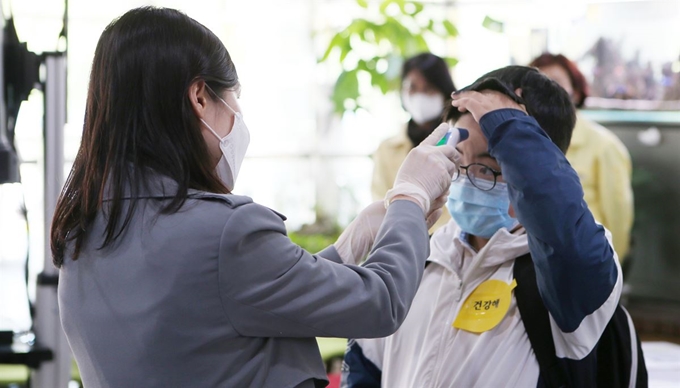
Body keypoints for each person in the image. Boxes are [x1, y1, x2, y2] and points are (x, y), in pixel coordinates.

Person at [50, 7, 459, 388]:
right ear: (199, 97)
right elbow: (381, 301)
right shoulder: (225, 231)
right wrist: (410, 197)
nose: (237, 115)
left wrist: (349, 246)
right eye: (233, 97)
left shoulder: (81, 230)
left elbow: (240, 300)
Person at [341, 66, 625, 387]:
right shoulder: (419, 256)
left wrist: (509, 126)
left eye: (492, 168)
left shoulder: (567, 277)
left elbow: (563, 230)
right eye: (458, 161)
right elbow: (365, 362)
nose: (468, 177)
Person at [529, 53, 634, 263]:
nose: (543, 93)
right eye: (535, 85)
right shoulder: (521, 144)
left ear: (575, 93)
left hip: (586, 264)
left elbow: (617, 215)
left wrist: (610, 269)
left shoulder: (603, 146)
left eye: (554, 83)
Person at [371, 53, 456, 232]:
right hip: (401, 242)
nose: (419, 96)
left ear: (444, 91)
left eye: (429, 89)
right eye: (412, 87)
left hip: (450, 245)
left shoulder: (460, 143)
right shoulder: (387, 149)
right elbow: (380, 204)